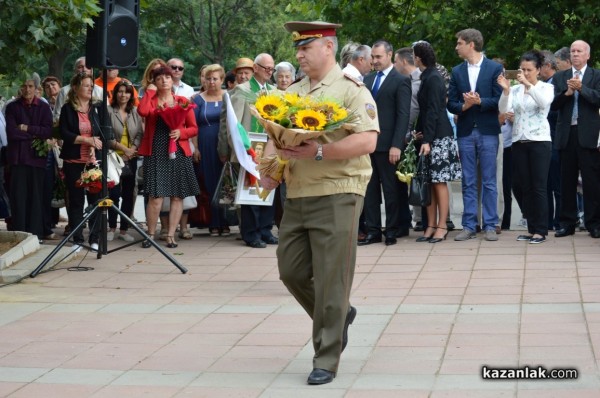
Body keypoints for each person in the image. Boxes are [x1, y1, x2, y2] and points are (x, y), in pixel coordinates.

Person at [260, 20, 379, 385]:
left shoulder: (350, 90)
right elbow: (276, 135)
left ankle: (326, 356)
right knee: (290, 270)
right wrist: (270, 170)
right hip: (296, 192)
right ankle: (339, 316)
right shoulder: (293, 91)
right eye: (297, 48)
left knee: (331, 278)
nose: (299, 55)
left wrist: (319, 151)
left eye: (305, 48)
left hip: (338, 191)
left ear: (327, 47)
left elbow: (368, 141)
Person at [447, 28, 503, 242]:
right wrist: (464, 106)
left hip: (488, 130)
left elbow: (499, 100)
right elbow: (451, 104)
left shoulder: (495, 68)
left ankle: (490, 224)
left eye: (459, 43)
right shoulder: (457, 71)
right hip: (465, 131)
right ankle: (469, 225)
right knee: (468, 180)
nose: (456, 47)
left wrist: (479, 102)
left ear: (471, 44)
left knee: (489, 180)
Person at [137, 66, 200, 248]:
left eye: (167, 77)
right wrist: (149, 93)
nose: (164, 80)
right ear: (154, 83)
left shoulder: (182, 101)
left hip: (178, 151)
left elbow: (194, 128)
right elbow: (143, 112)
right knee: (155, 197)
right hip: (156, 151)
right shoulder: (152, 100)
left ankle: (171, 235)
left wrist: (182, 132)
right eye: (159, 78)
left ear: (173, 81)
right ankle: (150, 234)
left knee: (177, 196)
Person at [220, 53, 278, 249]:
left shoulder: (273, 90)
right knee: (250, 192)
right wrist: (241, 149)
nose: (270, 72)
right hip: (249, 148)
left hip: (269, 147)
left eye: (272, 69)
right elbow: (234, 123)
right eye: (266, 68)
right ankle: (250, 233)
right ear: (256, 67)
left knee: (268, 187)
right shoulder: (241, 90)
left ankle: (265, 229)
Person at [498, 50, 555, 243]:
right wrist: (506, 91)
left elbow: (543, 103)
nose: (525, 73)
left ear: (538, 70)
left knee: (539, 186)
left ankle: (541, 229)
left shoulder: (546, 88)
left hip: (539, 141)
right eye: (522, 69)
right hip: (519, 141)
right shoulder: (516, 89)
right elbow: (503, 110)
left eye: (529, 69)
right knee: (524, 186)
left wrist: (529, 85)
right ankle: (531, 228)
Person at [359, 40, 411, 246]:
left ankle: (391, 229)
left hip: (389, 145)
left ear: (389, 55)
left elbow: (403, 115)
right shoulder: (368, 79)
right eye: (373, 56)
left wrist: (397, 144)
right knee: (370, 190)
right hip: (368, 143)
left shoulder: (401, 80)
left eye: (379, 56)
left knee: (391, 190)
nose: (375, 60)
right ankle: (373, 230)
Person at [412, 42, 461, 243]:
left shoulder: (433, 78)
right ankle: (430, 224)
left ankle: (442, 225)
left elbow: (433, 110)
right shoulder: (427, 76)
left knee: (439, 181)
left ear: (418, 58)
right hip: (429, 135)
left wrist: (428, 140)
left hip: (438, 136)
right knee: (428, 181)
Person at [551, 40, 600, 239]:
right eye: (572, 51)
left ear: (587, 55)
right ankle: (567, 223)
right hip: (567, 134)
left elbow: (598, 97)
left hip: (588, 134)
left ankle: (594, 223)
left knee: (591, 181)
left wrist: (581, 89)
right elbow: (553, 104)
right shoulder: (561, 76)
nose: (575, 54)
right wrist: (568, 92)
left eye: (579, 51)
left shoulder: (596, 75)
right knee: (566, 181)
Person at [59, 72, 112, 251]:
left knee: (95, 200)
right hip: (74, 161)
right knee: (75, 201)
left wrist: (96, 141)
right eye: (86, 85)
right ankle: (78, 239)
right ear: (75, 88)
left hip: (94, 161)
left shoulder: (98, 107)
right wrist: (86, 140)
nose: (90, 88)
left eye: (91, 85)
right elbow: (64, 133)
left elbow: (108, 133)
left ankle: (94, 238)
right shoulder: (68, 108)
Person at [5, 73, 53, 242]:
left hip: (37, 159)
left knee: (36, 197)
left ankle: (36, 234)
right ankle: (20, 233)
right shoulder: (12, 107)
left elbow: (48, 131)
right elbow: (12, 133)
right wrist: (34, 135)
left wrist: (26, 128)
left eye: (31, 86)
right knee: (18, 197)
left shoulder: (44, 107)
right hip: (18, 159)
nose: (27, 89)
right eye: (24, 86)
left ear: (36, 88)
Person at [191, 64, 229, 236]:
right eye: (208, 78)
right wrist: (195, 148)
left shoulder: (229, 97)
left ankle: (227, 221)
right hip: (205, 143)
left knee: (226, 183)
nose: (212, 82)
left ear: (222, 80)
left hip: (225, 143)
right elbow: (193, 125)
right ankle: (214, 222)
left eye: (215, 78)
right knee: (210, 182)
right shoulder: (197, 99)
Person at [107, 80, 143, 242]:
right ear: (115, 94)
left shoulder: (135, 111)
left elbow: (139, 134)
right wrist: (123, 149)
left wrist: (132, 150)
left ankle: (123, 229)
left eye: (127, 92)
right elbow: (106, 136)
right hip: (113, 157)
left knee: (129, 194)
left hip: (131, 158)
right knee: (113, 194)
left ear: (131, 95)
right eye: (120, 91)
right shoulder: (108, 111)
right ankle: (111, 227)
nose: (123, 95)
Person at [539, 50, 561, 231]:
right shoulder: (544, 83)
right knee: (546, 183)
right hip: (546, 139)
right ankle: (548, 222)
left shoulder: (557, 83)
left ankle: (559, 221)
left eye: (539, 67)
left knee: (556, 184)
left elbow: (555, 111)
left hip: (555, 139)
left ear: (547, 66)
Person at [53, 57, 103, 123]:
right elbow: (57, 115)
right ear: (74, 70)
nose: (84, 69)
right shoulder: (64, 91)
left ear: (92, 70)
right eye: (80, 67)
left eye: (87, 67)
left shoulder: (100, 91)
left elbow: (106, 116)